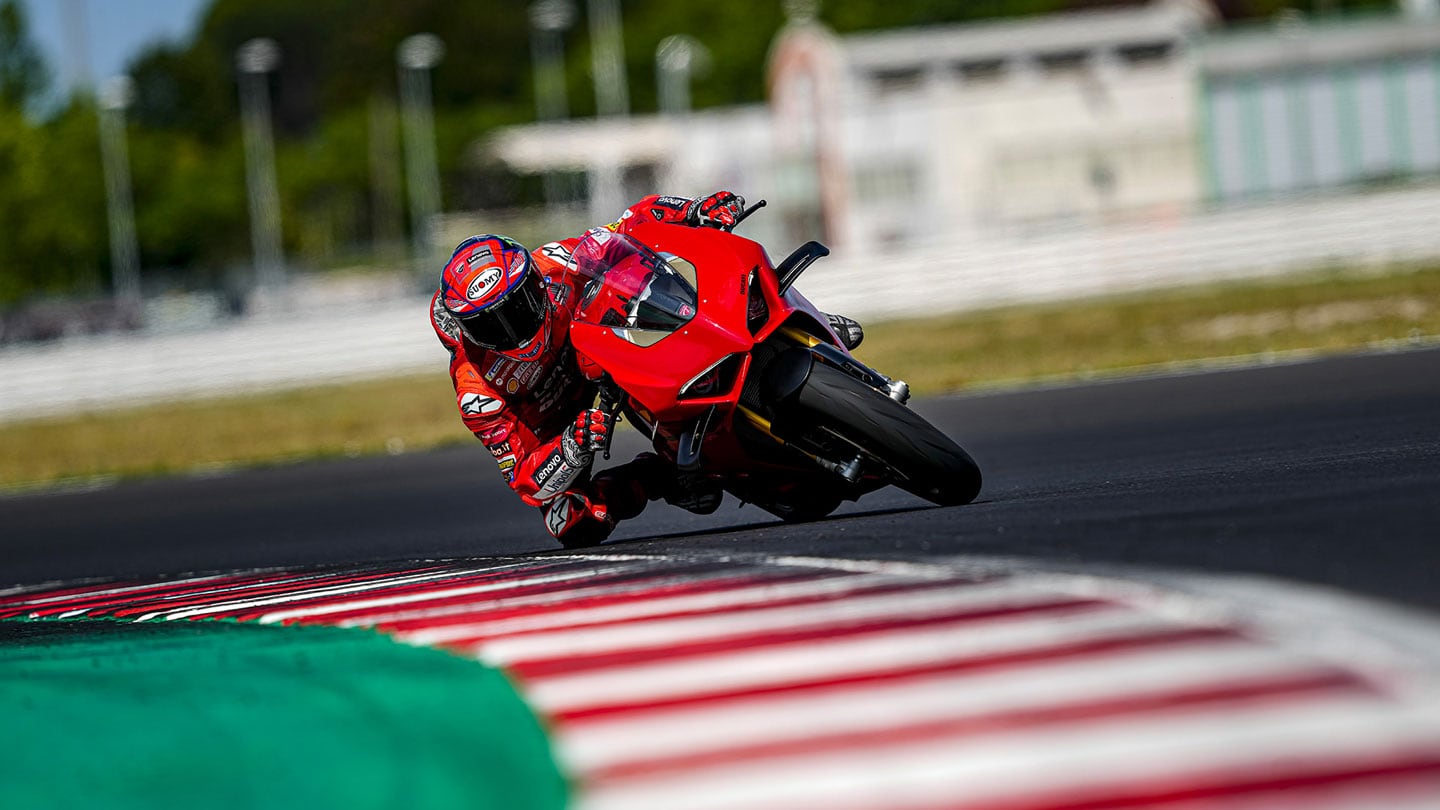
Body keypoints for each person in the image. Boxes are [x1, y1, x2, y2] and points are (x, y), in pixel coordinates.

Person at [430, 191, 865, 547]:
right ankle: (665, 475)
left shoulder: (553, 263)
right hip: (563, 423)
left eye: (518, 306)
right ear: (468, 331)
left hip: (598, 350)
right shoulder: (477, 390)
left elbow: (628, 223)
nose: (512, 330)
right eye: (490, 324)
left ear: (534, 283)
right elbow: (528, 479)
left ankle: (780, 325)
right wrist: (574, 442)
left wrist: (692, 211)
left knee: (647, 277)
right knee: (571, 521)